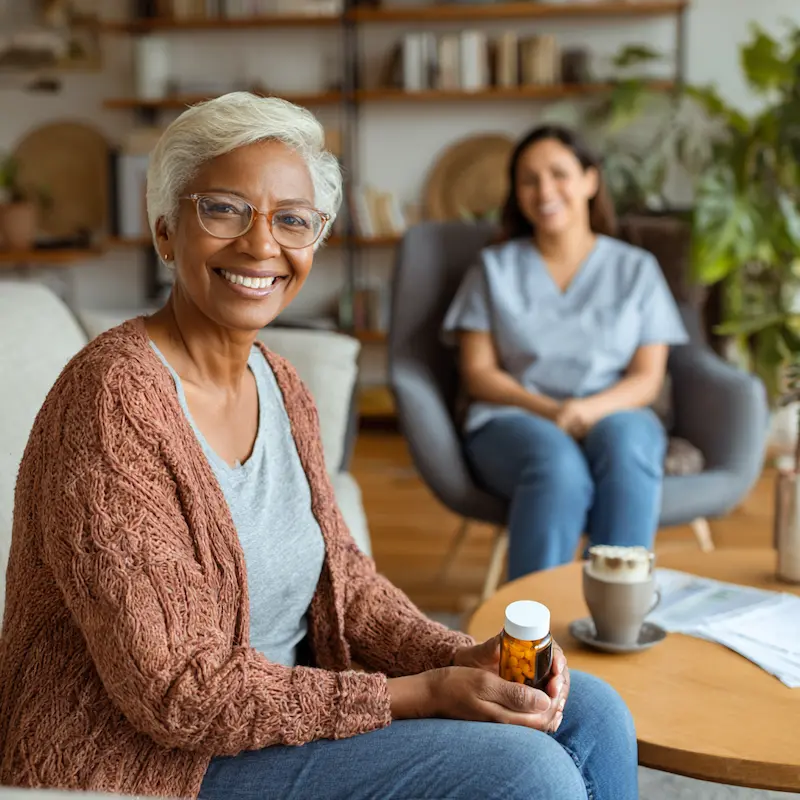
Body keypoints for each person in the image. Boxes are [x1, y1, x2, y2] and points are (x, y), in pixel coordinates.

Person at [0, 95, 638, 800]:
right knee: (526, 772)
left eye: (292, 221)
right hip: (146, 759)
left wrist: (463, 655)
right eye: (223, 209)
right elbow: (180, 693)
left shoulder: (280, 383)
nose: (260, 244)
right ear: (165, 233)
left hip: (269, 719)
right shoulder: (110, 402)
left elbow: (349, 590)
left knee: (592, 714)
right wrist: (419, 694)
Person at [443, 125, 689, 580]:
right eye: (528, 180)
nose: (544, 191)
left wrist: (587, 411)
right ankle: (530, 635)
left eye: (559, 174)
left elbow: (647, 378)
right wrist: (551, 410)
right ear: (516, 194)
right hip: (512, 417)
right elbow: (478, 373)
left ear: (590, 180)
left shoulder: (636, 269)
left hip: (615, 409)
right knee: (557, 468)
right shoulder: (493, 268)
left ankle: (617, 615)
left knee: (628, 443)